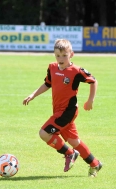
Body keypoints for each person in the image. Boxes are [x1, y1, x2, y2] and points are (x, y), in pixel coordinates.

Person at [23, 39, 102, 177]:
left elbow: (93, 81)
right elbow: (48, 84)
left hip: (67, 111)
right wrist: (33, 94)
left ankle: (69, 154)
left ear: (71, 54)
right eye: (58, 55)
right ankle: (95, 163)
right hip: (58, 110)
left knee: (44, 133)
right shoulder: (52, 67)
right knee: (74, 141)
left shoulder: (76, 71)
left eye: (64, 55)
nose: (61, 58)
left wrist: (90, 100)